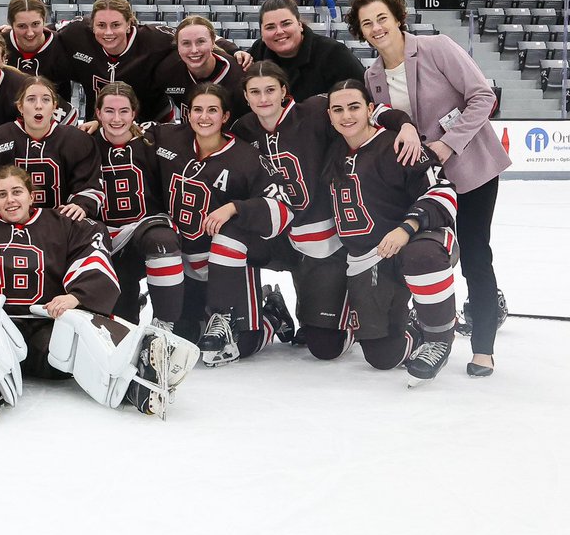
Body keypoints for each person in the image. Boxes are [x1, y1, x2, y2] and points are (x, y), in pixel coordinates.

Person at [0, 166, 196, 420]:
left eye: (17, 192)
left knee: (74, 346)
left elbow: (92, 257)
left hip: (47, 322)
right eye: (2, 194)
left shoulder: (64, 224)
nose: (10, 200)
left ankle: (138, 379)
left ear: (32, 196)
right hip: (0, 323)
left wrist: (76, 296)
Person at [351, 0, 510, 377]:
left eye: (382, 18)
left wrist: (447, 143)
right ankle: (427, 324)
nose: (376, 28)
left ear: (397, 17)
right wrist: (404, 126)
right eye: (367, 23)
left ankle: (483, 346)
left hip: (470, 169)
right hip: (422, 181)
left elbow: (482, 97)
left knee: (475, 254)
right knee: (422, 250)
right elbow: (385, 119)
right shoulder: (372, 76)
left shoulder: (436, 47)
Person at [232, 61, 420, 360]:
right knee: (231, 239)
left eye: (270, 90)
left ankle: (370, 317)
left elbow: (368, 110)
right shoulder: (243, 129)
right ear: (245, 96)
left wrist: (405, 124)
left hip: (323, 244)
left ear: (284, 90)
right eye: (255, 92)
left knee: (324, 346)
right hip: (279, 236)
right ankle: (256, 317)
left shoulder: (315, 111)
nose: (263, 98)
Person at [325, 80, 460, 387]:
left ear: (370, 110)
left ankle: (439, 339)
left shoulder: (399, 145)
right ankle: (415, 325)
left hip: (418, 239)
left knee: (421, 255)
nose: (346, 116)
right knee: (383, 356)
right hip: (368, 257)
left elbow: (443, 192)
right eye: (338, 109)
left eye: (354, 107)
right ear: (329, 116)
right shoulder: (331, 148)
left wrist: (406, 227)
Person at [148, 83, 293, 366]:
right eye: (198, 110)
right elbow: (125, 129)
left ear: (225, 116)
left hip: (229, 264)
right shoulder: (167, 137)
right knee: (187, 337)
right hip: (186, 263)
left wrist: (236, 207)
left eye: (212, 110)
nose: (204, 117)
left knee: (244, 344)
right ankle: (204, 316)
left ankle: (272, 315)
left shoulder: (247, 158)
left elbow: (283, 211)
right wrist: (94, 125)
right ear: (188, 114)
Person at [58, 0, 247, 118]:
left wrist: (232, 49)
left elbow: (193, 35)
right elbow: (47, 32)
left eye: (116, 25)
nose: (108, 32)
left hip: (153, 119)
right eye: (101, 25)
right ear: (92, 25)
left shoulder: (154, 38)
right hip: (101, 120)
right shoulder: (77, 32)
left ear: (129, 24)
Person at [90, 82, 182, 334]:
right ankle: (131, 307)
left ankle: (165, 323)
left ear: (134, 113)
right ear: (97, 113)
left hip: (147, 229)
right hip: (107, 239)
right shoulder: (85, 143)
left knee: (162, 241)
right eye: (109, 111)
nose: (116, 119)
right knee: (120, 327)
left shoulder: (153, 139)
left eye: (124, 111)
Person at [0, 75, 103, 218]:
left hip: (61, 223)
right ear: (20, 106)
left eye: (46, 100)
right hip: (11, 223)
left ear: (54, 106)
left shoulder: (77, 140)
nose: (38, 106)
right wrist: (1, 207)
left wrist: (81, 205)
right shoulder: (1, 137)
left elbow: (90, 186)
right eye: (31, 99)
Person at [249, 0, 365, 100]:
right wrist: (239, 54)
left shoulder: (334, 54)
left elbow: (361, 97)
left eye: (286, 24)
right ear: (262, 34)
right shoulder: (257, 52)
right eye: (270, 27)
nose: (279, 31)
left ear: (300, 25)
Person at [161, 15, 248, 122]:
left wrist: (235, 50)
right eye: (186, 43)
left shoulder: (239, 75)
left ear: (213, 42)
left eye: (201, 42)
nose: (194, 50)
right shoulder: (168, 71)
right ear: (177, 47)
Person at [4, 0, 72, 103]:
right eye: (22, 26)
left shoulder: (62, 45)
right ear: (11, 25)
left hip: (55, 112)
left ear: (44, 20)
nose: (30, 33)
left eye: (35, 24)